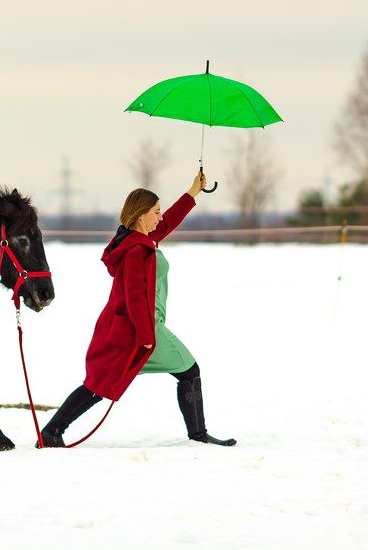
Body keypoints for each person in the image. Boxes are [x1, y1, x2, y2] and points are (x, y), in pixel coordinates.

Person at [39, 171, 235, 448]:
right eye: (156, 211)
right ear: (142, 215)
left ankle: (51, 432)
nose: (160, 216)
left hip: (123, 328)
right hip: (143, 329)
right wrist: (146, 336)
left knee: (98, 386)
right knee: (189, 370)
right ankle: (199, 435)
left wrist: (192, 193)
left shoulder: (137, 240)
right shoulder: (136, 250)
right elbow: (134, 297)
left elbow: (167, 223)